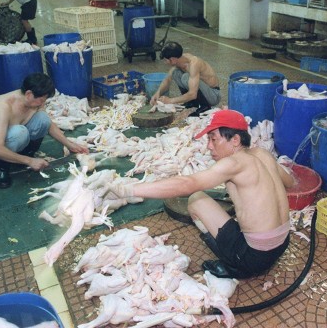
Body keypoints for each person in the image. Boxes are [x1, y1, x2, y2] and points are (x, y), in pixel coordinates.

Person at [111, 109, 295, 279]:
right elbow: (289, 182)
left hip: (255, 257)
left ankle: (234, 264)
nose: (209, 147)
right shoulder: (263, 154)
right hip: (283, 243)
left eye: (214, 139)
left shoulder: (234, 163)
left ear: (236, 140)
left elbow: (188, 183)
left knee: (196, 199)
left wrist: (127, 190)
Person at [0, 73, 88, 189]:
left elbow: (48, 124)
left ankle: (22, 155)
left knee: (43, 119)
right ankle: (1, 168)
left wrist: (69, 144)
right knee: (19, 133)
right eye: (41, 100)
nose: (43, 104)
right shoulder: (3, 106)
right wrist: (29, 161)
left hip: (8, 141)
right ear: (29, 94)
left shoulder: (34, 101)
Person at [151, 41, 221, 117]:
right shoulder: (179, 59)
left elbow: (193, 94)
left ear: (173, 59)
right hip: (204, 92)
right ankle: (192, 103)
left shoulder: (194, 64)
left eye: (165, 60)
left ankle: (205, 107)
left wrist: (170, 101)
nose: (165, 62)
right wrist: (158, 93)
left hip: (213, 96)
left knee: (186, 77)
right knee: (176, 73)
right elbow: (167, 79)